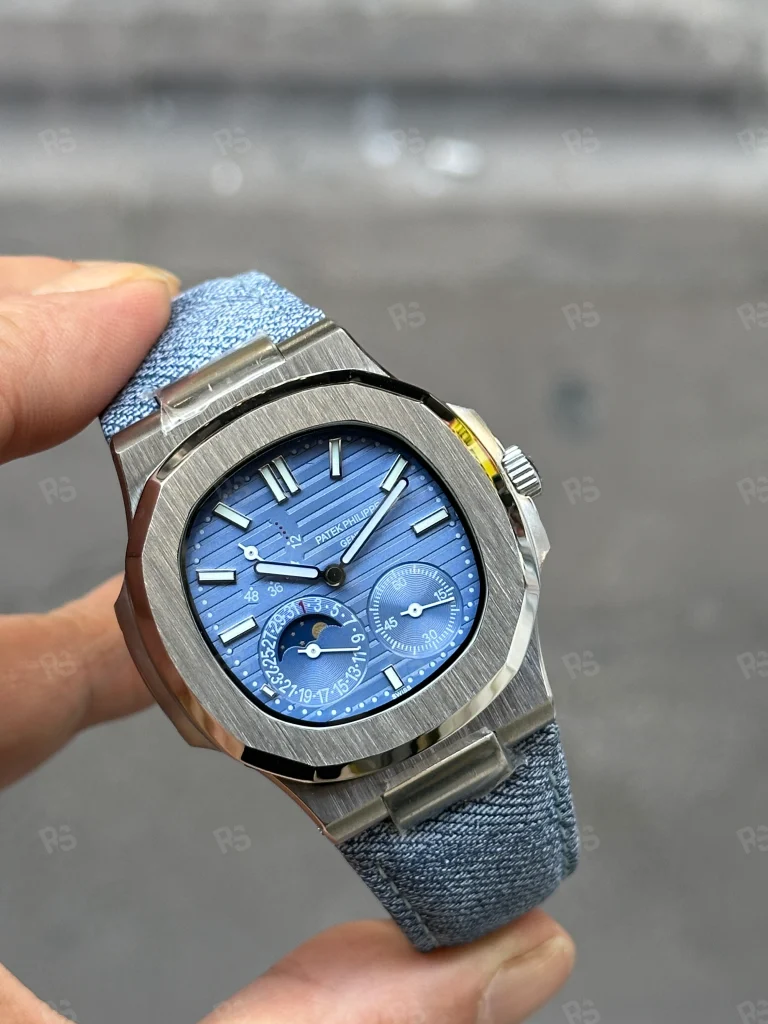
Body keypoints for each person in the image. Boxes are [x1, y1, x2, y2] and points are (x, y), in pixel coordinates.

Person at [0, 255, 576, 1024]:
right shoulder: (168, 466)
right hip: (360, 753)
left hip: (486, 690)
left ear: (502, 483)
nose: (334, 575)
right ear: (165, 656)